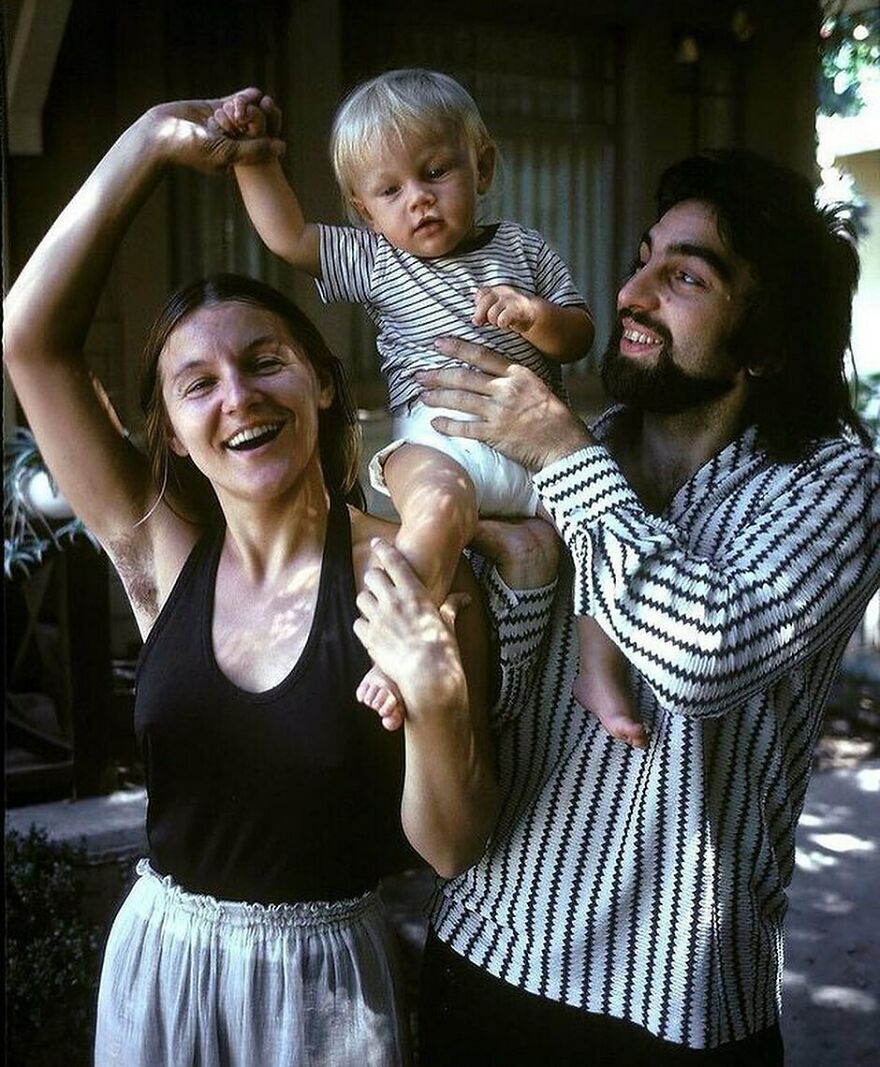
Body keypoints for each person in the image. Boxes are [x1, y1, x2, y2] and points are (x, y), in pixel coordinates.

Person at [2, 94, 500, 1067]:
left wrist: (436, 697)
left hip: (322, 995)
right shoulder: (161, 555)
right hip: (162, 963)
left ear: (321, 381)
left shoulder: (410, 567)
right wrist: (148, 142)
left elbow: (453, 847)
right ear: (175, 430)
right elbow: (29, 340)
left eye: (265, 361)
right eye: (198, 383)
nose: (238, 396)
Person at [406, 149, 880, 1064]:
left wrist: (561, 458)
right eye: (642, 259)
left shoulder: (836, 485)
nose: (632, 291)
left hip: (677, 1008)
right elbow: (495, 698)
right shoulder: (574, 453)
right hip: (487, 957)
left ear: (770, 341)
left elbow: (704, 656)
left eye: (686, 275)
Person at [214, 72, 648, 748]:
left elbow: (581, 333)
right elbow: (289, 236)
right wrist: (255, 158)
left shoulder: (524, 248)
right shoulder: (379, 260)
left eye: (435, 171)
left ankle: (599, 670)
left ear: (482, 165)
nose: (417, 199)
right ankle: (396, 647)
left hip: (538, 448)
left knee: (599, 531)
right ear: (365, 210)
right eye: (390, 190)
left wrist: (536, 318)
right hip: (438, 438)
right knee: (435, 512)